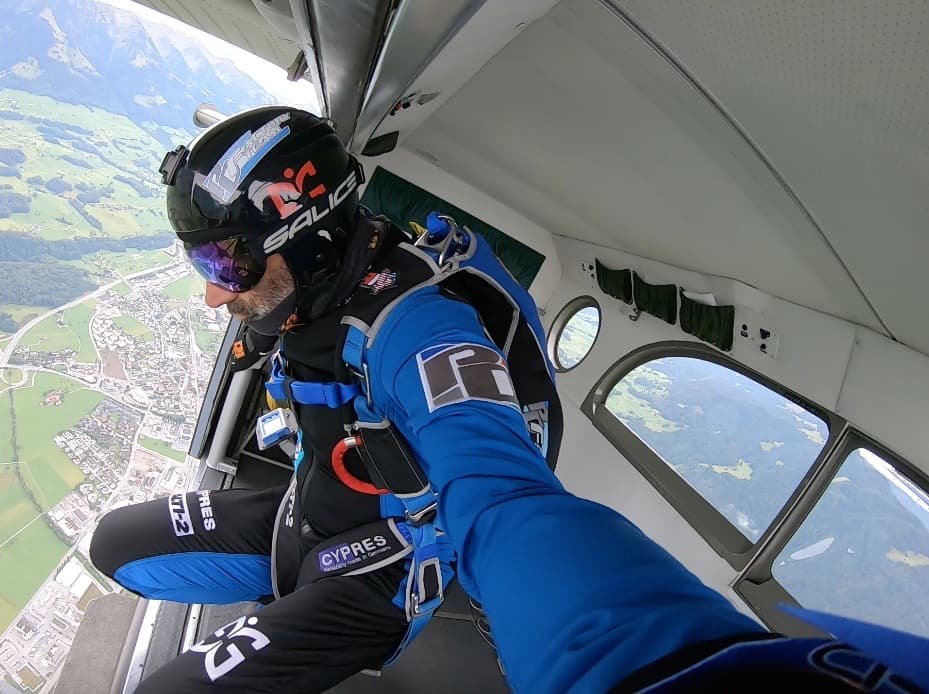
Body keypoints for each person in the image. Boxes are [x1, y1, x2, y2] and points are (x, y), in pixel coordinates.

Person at [89, 106, 928, 694]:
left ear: (307, 241)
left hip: (393, 548)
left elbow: (502, 491)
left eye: (225, 268)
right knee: (114, 543)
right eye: (204, 267)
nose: (213, 296)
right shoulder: (312, 295)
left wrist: (657, 667)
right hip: (323, 503)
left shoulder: (423, 332)